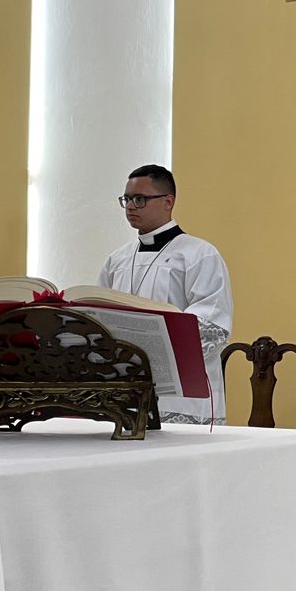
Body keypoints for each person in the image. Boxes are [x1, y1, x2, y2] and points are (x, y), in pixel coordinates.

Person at [98, 164, 233, 425]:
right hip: (127, 388)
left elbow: (212, 324)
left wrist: (149, 348)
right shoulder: (117, 260)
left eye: (140, 199)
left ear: (168, 202)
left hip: (181, 397)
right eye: (127, 199)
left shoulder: (199, 254)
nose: (130, 207)